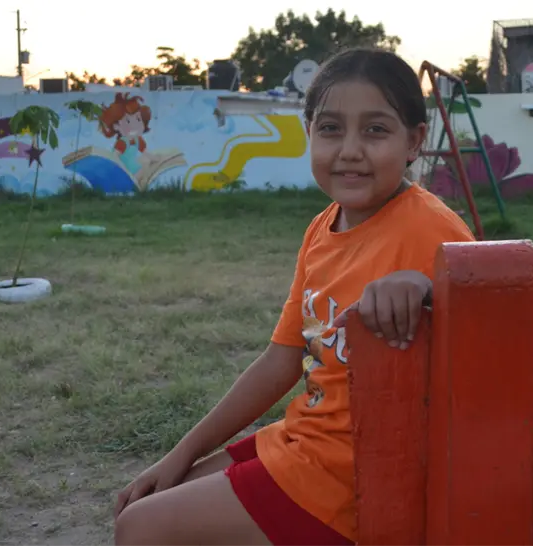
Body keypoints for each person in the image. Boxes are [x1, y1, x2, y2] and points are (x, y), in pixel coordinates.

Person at [113, 47, 476, 546]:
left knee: (141, 528)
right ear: (309, 133)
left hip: (356, 473)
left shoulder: (430, 227)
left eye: (375, 130)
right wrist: (180, 454)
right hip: (306, 439)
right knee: (155, 498)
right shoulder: (320, 231)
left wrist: (430, 287)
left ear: (414, 141)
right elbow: (280, 362)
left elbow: (497, 319)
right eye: (330, 129)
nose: (349, 149)